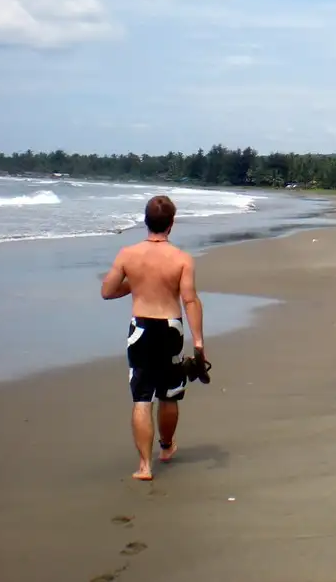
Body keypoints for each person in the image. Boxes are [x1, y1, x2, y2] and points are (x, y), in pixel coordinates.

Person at [101, 194, 205, 481]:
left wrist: (134, 283)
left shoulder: (127, 254)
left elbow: (108, 290)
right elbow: (190, 301)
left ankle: (145, 466)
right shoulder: (182, 259)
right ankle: (167, 446)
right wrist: (198, 342)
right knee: (169, 394)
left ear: (146, 222)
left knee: (142, 397)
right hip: (171, 327)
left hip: (141, 329)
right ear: (171, 224)